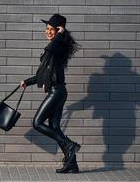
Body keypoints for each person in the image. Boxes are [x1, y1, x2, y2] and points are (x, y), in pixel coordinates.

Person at [20, 14, 81, 173]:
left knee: (37, 123)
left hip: (57, 92)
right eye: (46, 29)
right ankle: (72, 163)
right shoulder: (56, 47)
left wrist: (61, 34)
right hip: (59, 91)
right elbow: (44, 74)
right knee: (54, 126)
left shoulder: (57, 47)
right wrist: (28, 81)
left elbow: (51, 48)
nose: (47, 32)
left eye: (51, 29)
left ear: (58, 30)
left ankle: (69, 145)